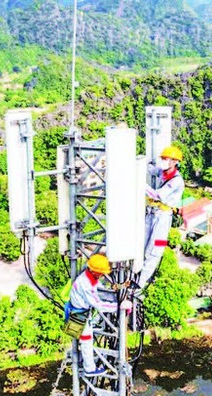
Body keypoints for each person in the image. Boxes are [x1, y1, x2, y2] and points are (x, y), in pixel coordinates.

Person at [64, 254, 131, 376]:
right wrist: (119, 307)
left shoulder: (89, 277)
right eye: (101, 273)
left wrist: (119, 287)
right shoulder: (86, 285)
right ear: (95, 271)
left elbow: (101, 291)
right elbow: (98, 304)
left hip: (79, 312)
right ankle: (89, 369)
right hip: (79, 314)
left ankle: (81, 360)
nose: (102, 275)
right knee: (86, 341)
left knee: (84, 340)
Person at [140, 145, 185, 285]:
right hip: (152, 213)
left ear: (174, 162)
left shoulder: (177, 181)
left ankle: (141, 282)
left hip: (164, 217)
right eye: (163, 158)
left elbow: (158, 195)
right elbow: (150, 169)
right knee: (142, 245)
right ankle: (135, 273)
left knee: (155, 249)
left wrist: (140, 184)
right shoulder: (163, 172)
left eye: (166, 159)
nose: (163, 161)